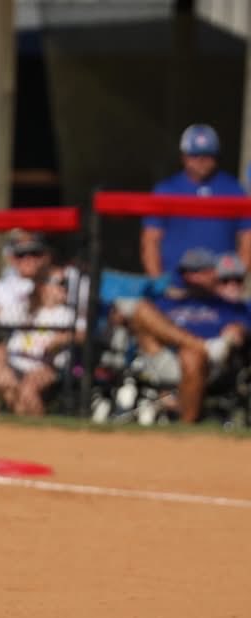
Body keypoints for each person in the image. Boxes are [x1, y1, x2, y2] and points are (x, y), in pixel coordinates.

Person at [128, 247, 251, 423]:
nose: (192, 277)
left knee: (191, 355)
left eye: (236, 280)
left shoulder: (230, 306)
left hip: (211, 364)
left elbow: (240, 330)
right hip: (166, 359)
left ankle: (186, 426)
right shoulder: (169, 302)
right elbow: (136, 318)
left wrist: (235, 333)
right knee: (140, 308)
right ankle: (202, 347)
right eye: (189, 271)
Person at [141, 124, 251, 287]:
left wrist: (234, 280)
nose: (201, 160)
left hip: (220, 288)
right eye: (195, 154)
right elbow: (150, 240)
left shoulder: (234, 189)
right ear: (183, 156)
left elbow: (247, 240)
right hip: (175, 288)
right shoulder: (166, 190)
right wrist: (159, 285)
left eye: (207, 154)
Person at [0, 264, 82, 417]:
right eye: (61, 283)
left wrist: (61, 339)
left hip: (46, 367)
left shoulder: (66, 313)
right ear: (43, 286)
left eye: (67, 284)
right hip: (15, 366)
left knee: (27, 389)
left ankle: (39, 431)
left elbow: (82, 333)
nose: (65, 288)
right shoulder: (25, 309)